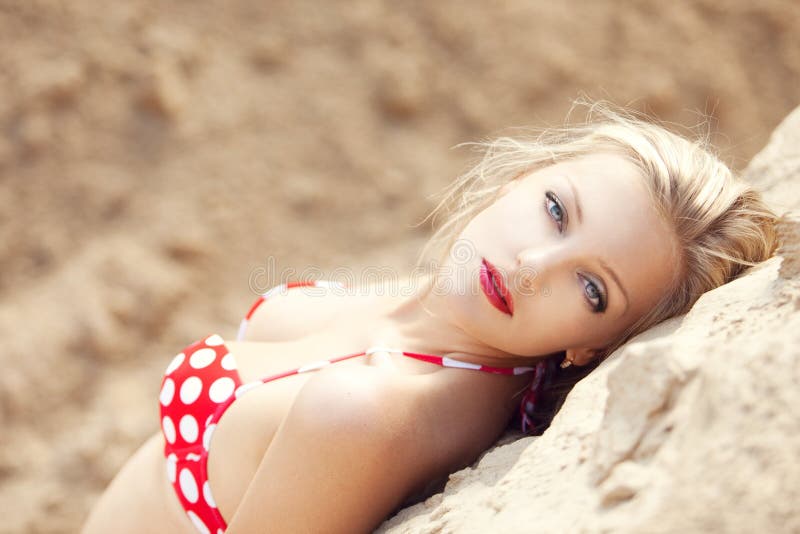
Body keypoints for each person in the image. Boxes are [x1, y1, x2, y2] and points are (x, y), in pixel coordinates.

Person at [82, 102, 778, 534]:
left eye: (593, 289)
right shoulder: (452, 303)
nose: (532, 264)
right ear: (520, 178)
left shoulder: (366, 412)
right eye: (557, 210)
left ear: (594, 348)